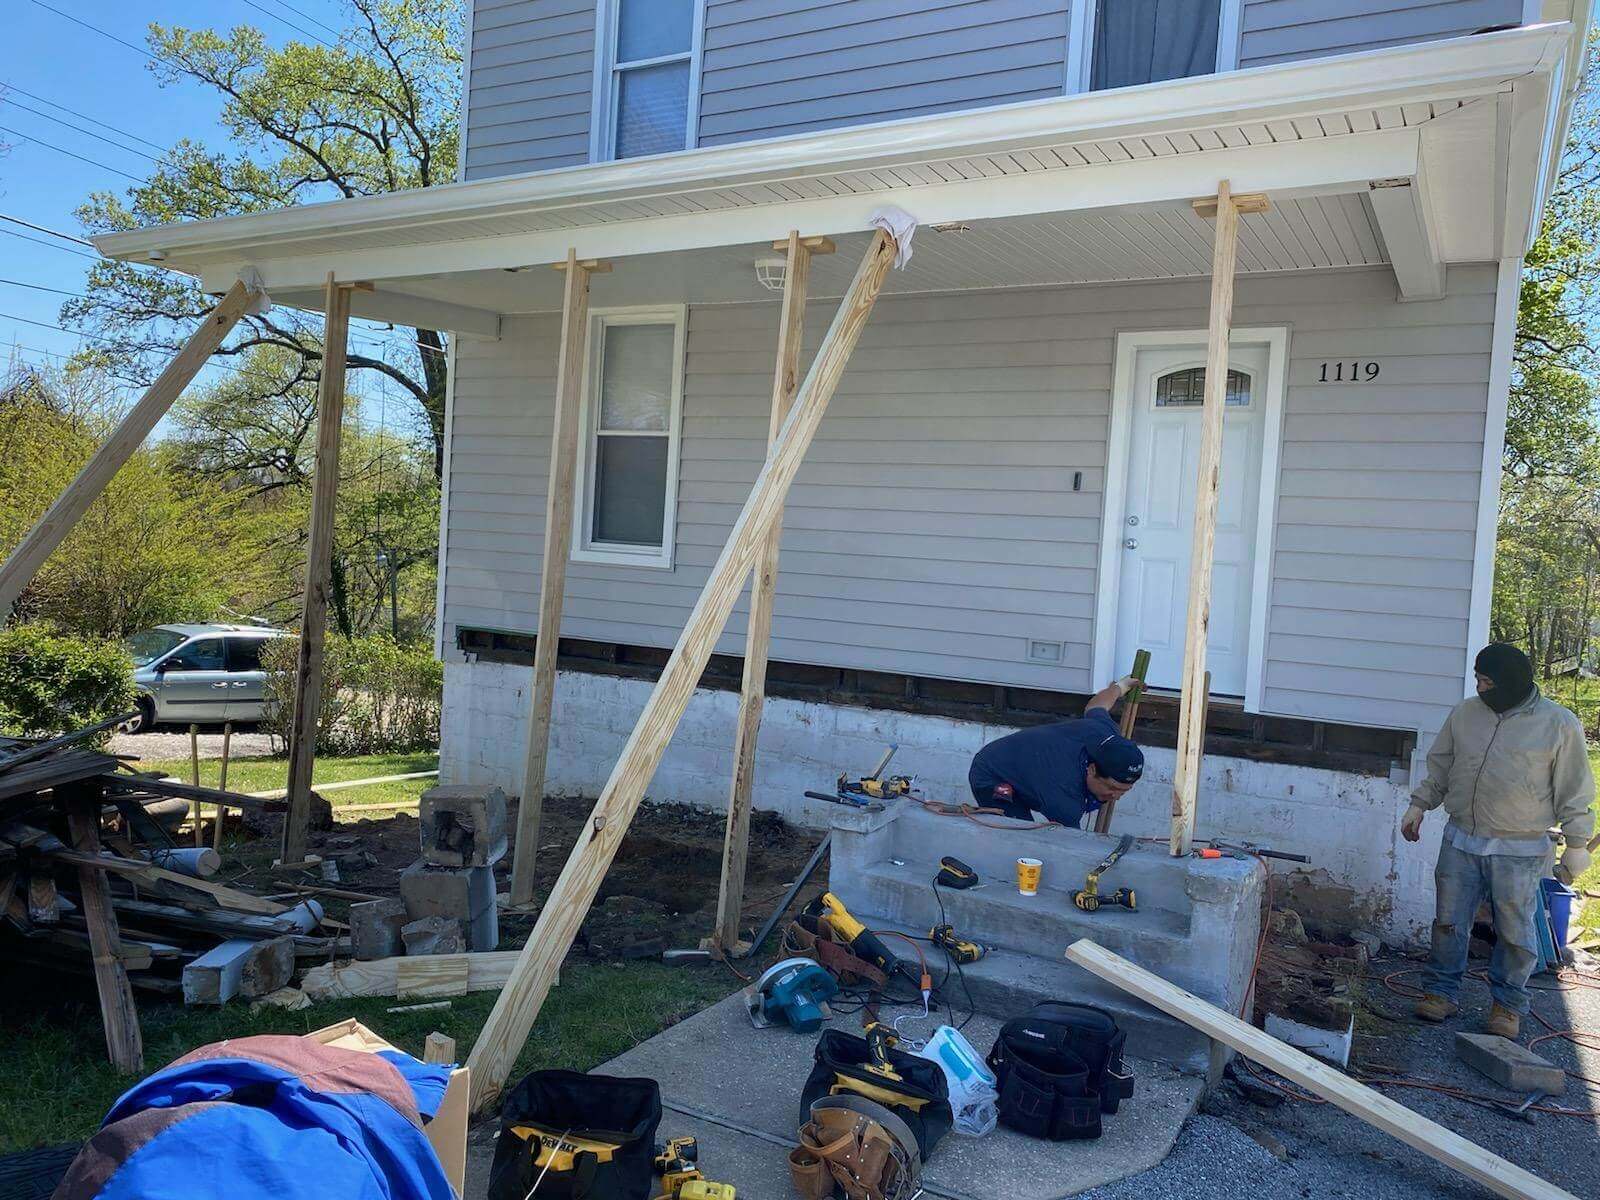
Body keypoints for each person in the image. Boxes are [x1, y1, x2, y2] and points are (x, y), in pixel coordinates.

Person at [1402, 643, 1594, 1039]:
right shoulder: (1466, 714)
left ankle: (1507, 1007)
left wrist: (1577, 844)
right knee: (1449, 921)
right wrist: (1419, 805)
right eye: (1478, 679)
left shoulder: (1558, 723)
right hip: (1462, 837)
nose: (1481, 687)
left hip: (1520, 847)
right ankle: (1440, 993)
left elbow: (1574, 788)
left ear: (1512, 682)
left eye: (1488, 681)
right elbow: (1441, 764)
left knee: (1515, 931)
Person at [968, 677, 1145, 828]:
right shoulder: (1064, 795)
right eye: (1111, 788)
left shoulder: (1105, 733)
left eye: (1124, 790)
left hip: (1031, 769)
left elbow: (1097, 705)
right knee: (1017, 833)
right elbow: (1070, 844)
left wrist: (1120, 687)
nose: (1116, 796)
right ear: (1091, 769)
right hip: (994, 772)